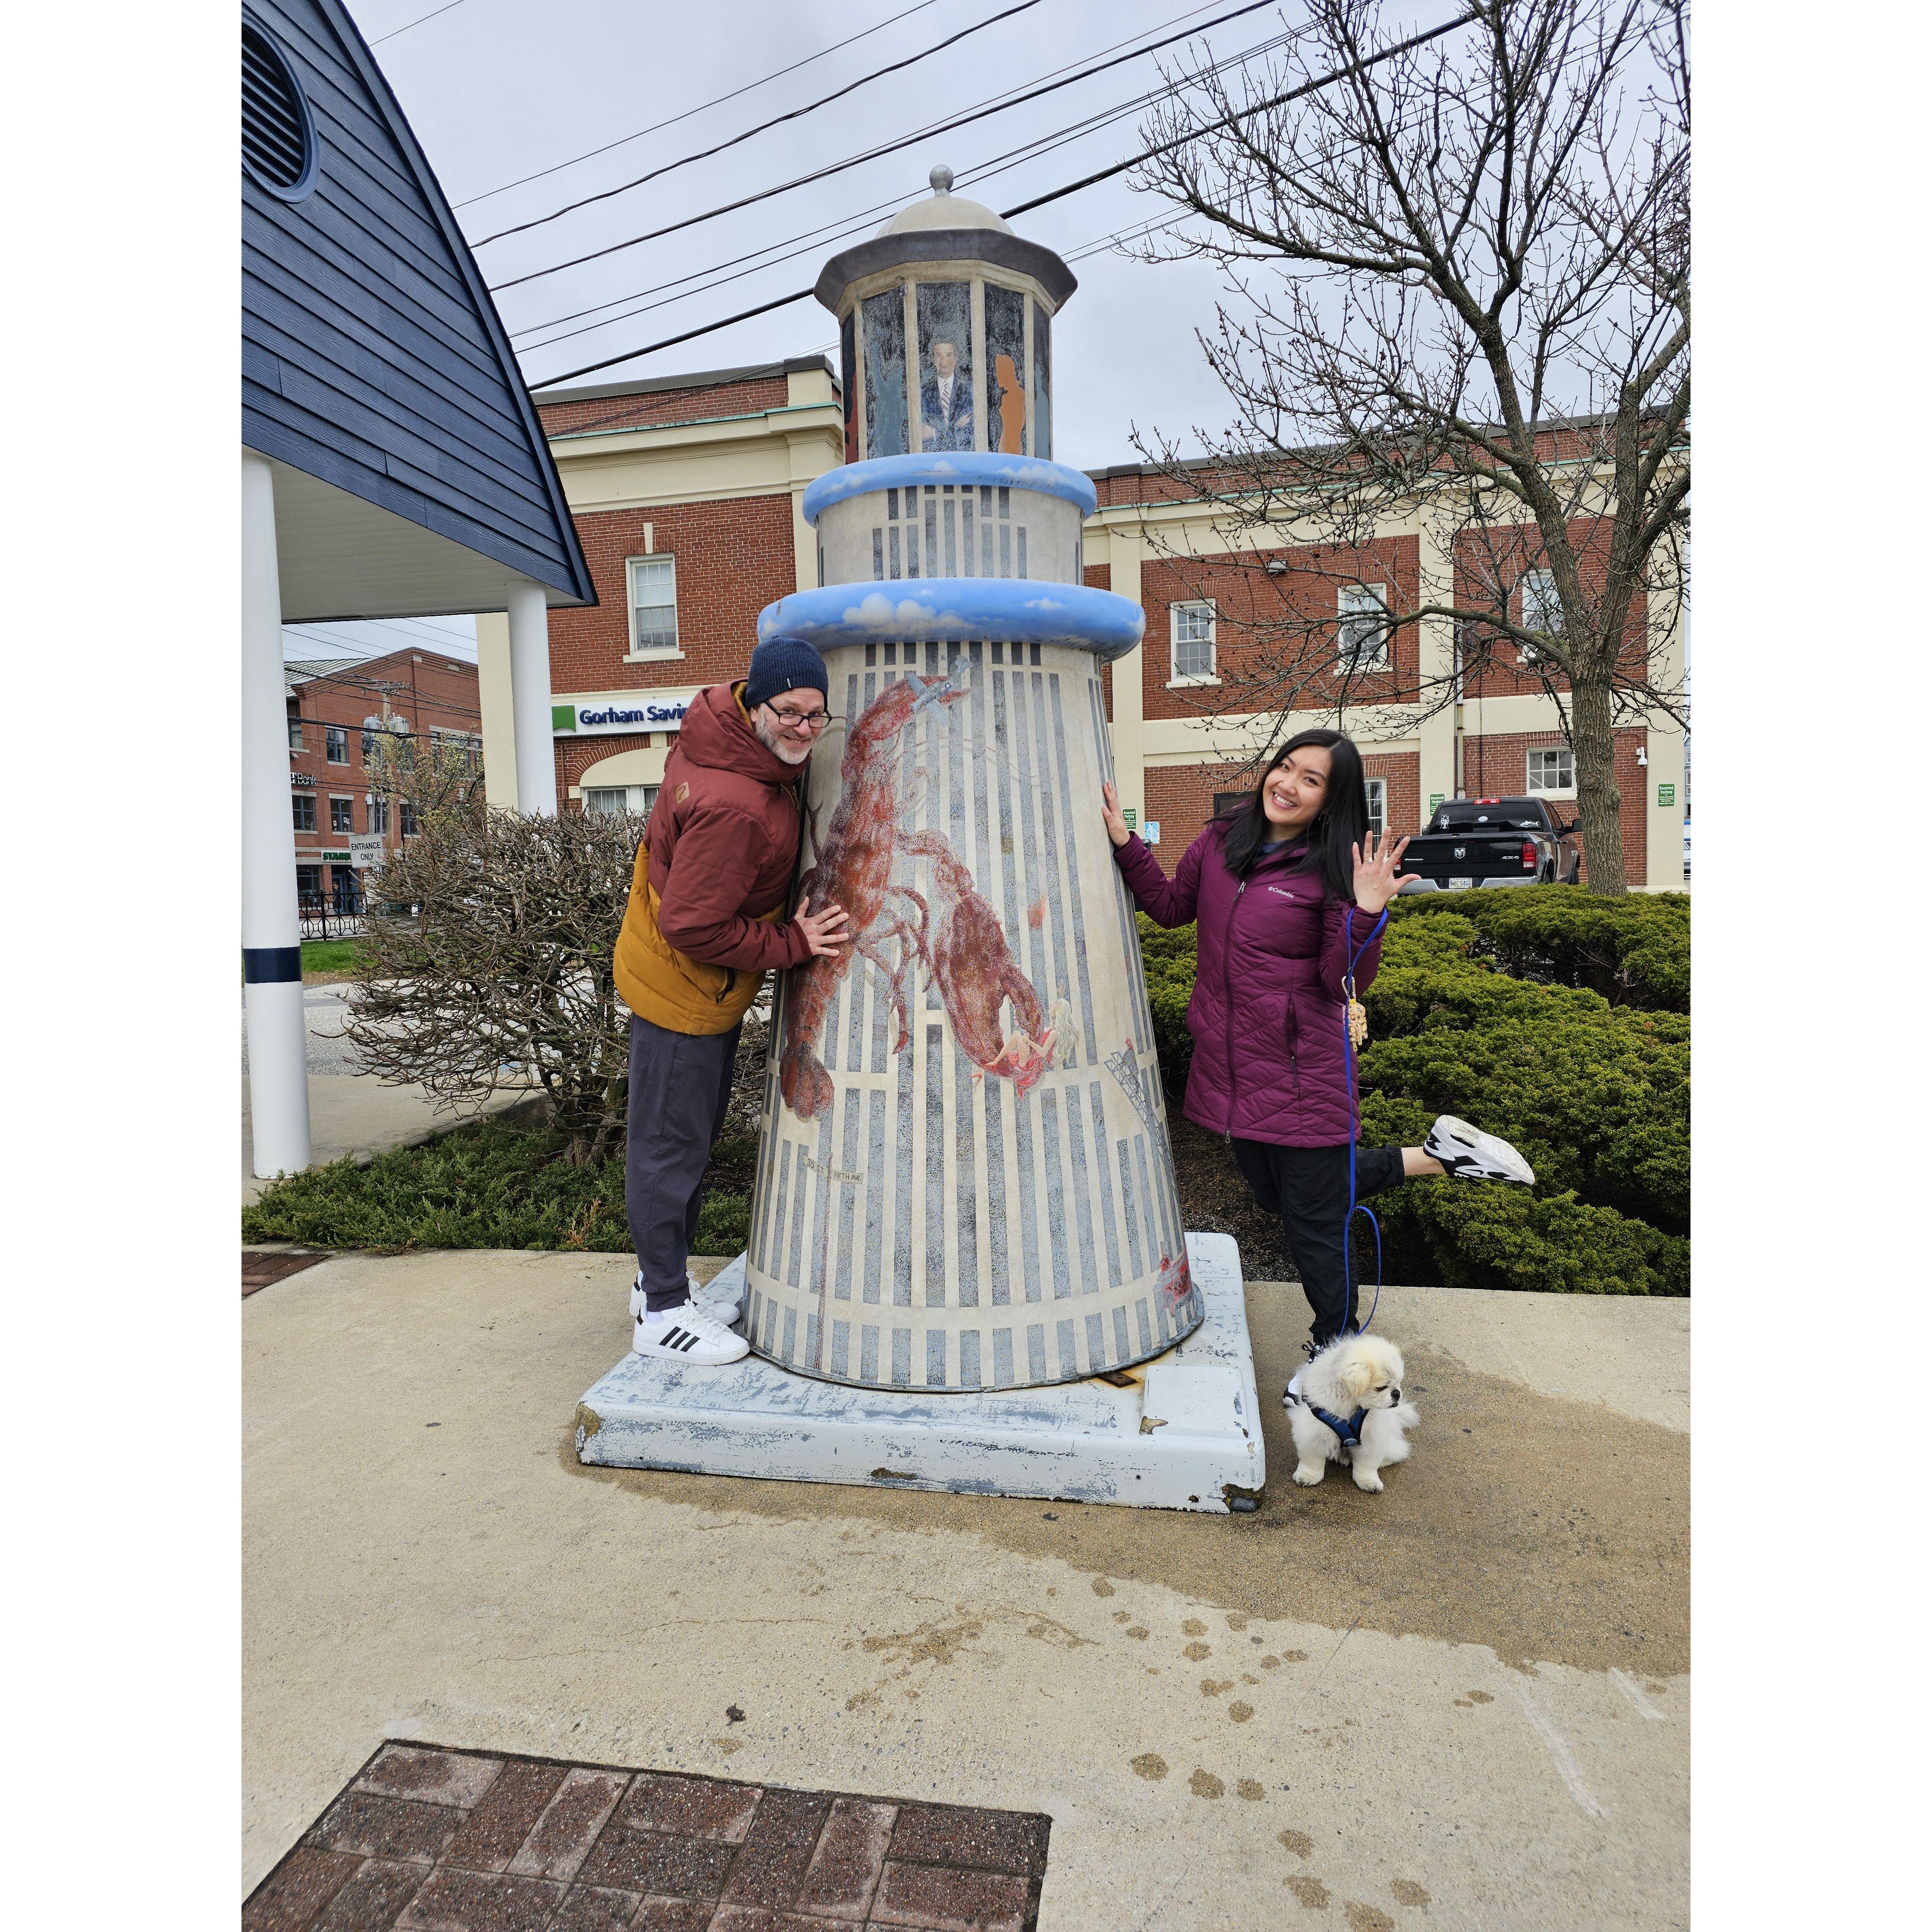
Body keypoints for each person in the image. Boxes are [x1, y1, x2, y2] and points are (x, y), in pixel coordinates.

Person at [1102, 729, 1534, 1358]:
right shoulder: (1222, 840)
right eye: (1285, 767)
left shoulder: (1331, 869)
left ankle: (1337, 1356)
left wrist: (1366, 911)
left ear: (1331, 800)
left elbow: (1340, 980)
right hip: (1231, 1065)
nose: (1288, 784)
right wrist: (1126, 844)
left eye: (1311, 780)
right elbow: (1170, 908)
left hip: (1303, 1068)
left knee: (1313, 1224)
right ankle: (1440, 1156)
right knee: (1279, 1196)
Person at [612, 637, 851, 1365]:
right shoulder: (736, 804)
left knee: (680, 1143)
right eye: (789, 712)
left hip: (682, 980)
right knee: (670, 1151)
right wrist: (794, 941)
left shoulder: (725, 746)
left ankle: (658, 1283)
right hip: (683, 990)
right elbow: (693, 925)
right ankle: (662, 1314)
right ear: (756, 706)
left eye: (815, 715)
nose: (803, 729)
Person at [919, 337, 974, 451]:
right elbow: (921, 436)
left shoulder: (968, 391)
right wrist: (956, 428)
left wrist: (935, 433)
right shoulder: (923, 393)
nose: (943, 361)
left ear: (956, 359)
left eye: (948, 355)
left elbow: (968, 434)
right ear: (934, 360)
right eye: (938, 355)